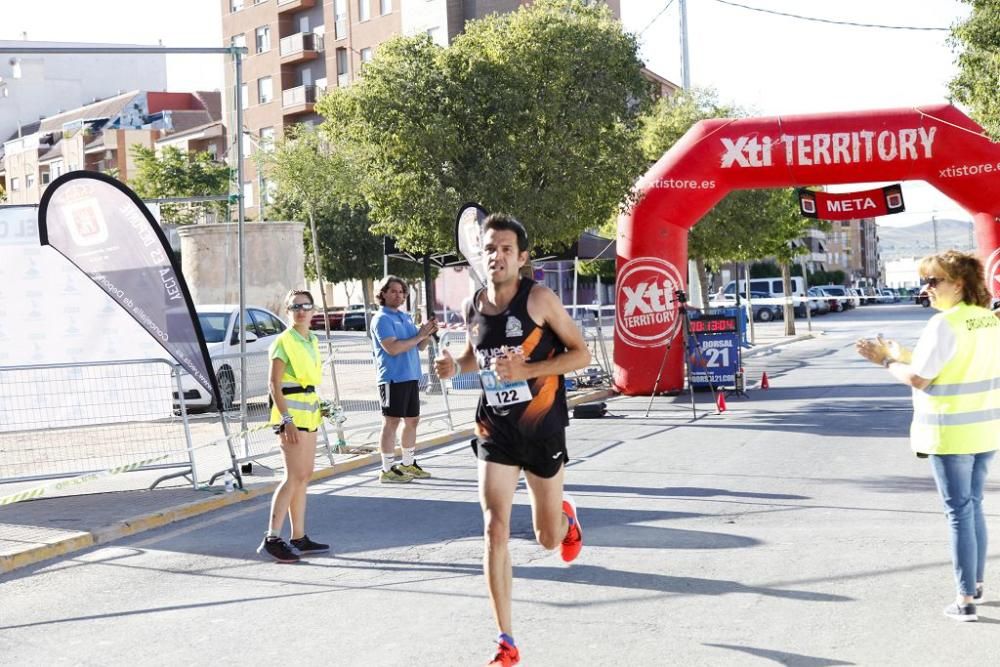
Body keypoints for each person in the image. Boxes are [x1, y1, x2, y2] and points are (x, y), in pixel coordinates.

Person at [434, 213, 590, 666]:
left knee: (545, 539)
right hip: (495, 428)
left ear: (522, 258)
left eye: (506, 249)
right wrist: (454, 367)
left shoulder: (539, 299)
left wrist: (529, 370)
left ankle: (566, 520)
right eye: (489, 249)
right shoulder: (472, 305)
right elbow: (475, 357)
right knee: (493, 528)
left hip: (541, 429)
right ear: (480, 256)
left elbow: (579, 354)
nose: (496, 256)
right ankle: (506, 639)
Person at [856, 250, 1000, 622]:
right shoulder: (987, 320)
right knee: (973, 506)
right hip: (985, 430)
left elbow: (921, 378)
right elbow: (944, 362)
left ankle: (965, 597)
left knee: (959, 513)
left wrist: (886, 361)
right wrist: (901, 352)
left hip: (949, 432)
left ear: (960, 283)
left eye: (934, 281)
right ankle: (977, 586)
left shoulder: (944, 324)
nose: (927, 288)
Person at [257, 289, 329, 563]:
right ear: (287, 311)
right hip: (291, 416)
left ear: (312, 311)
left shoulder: (310, 339)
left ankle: (299, 536)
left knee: (305, 475)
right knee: (293, 476)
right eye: (295, 306)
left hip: (309, 412)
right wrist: (285, 419)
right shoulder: (283, 341)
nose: (301, 310)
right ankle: (272, 537)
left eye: (306, 306)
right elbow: (274, 384)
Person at [371, 275, 438, 483]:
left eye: (402, 292)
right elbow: (392, 348)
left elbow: (419, 346)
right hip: (392, 378)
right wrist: (419, 336)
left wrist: (427, 333)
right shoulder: (381, 319)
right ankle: (387, 469)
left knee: (412, 420)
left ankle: (407, 464)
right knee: (391, 422)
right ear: (382, 294)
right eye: (393, 291)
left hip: (410, 377)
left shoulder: (405, 316)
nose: (398, 295)